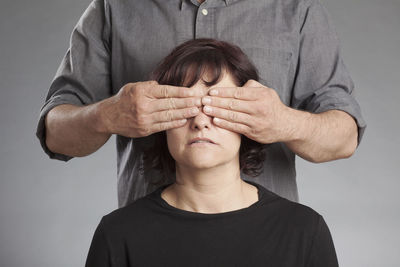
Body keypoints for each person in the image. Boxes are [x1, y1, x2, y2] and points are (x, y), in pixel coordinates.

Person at [36, 0, 367, 207]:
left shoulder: (298, 9)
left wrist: (285, 122)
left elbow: (345, 137)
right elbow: (55, 134)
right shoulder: (114, 8)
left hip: (267, 244)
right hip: (147, 243)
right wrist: (105, 116)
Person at [85, 38, 339, 267]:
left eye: (215, 106)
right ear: (160, 122)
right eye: (184, 107)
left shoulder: (304, 230)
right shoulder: (118, 234)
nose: (200, 122)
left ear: (248, 119)